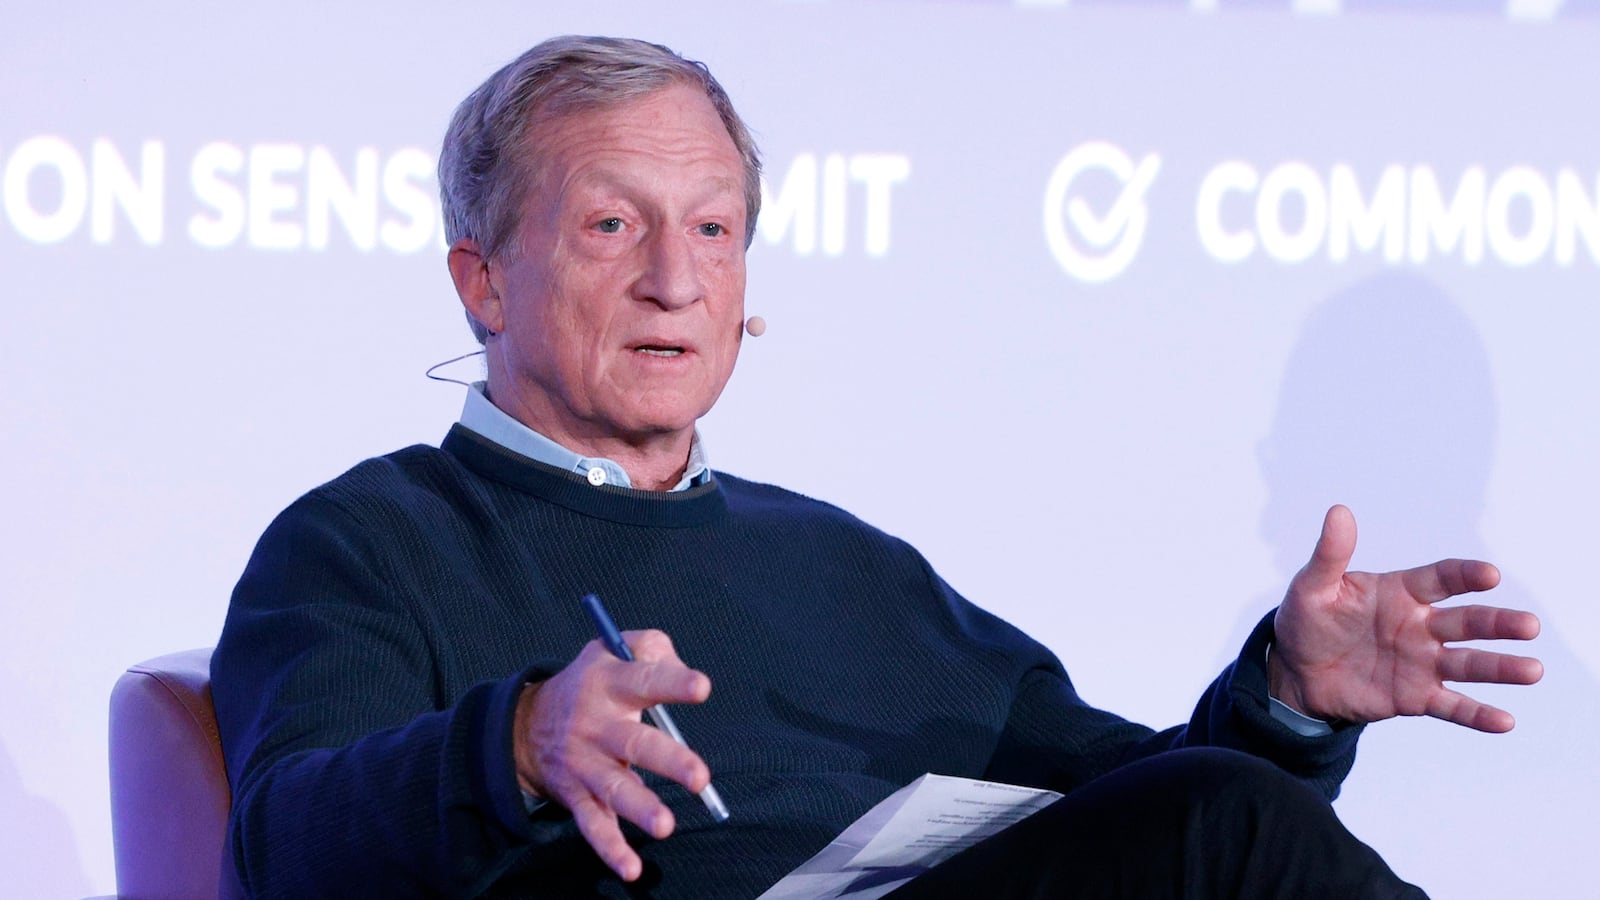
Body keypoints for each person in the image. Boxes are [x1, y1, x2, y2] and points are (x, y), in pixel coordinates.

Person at [210, 35, 1543, 899]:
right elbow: (281, 848)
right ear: (483, 280)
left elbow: (1140, 815)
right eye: (613, 225)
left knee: (1221, 810)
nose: (676, 279)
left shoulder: (836, 561)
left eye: (714, 230)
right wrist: (514, 746)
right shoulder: (366, 541)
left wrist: (1288, 704)